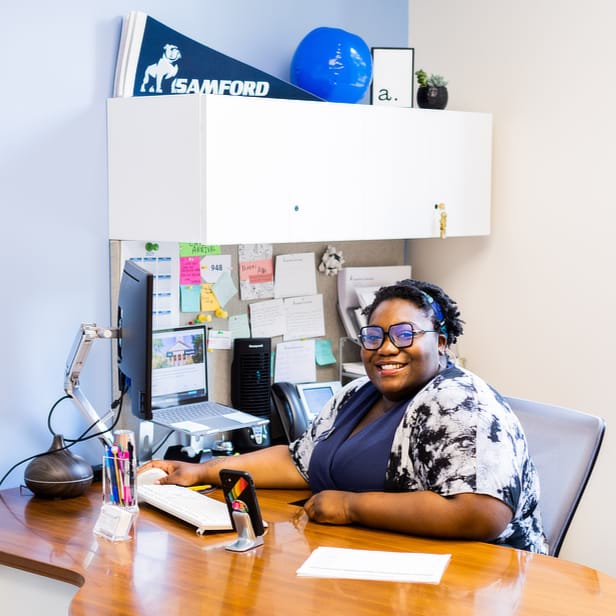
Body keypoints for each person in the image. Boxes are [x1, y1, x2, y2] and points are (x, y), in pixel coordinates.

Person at [139, 279, 548, 554]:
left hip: (476, 578)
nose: (386, 348)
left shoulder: (459, 403)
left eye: (405, 334)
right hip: (383, 557)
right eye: (374, 336)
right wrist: (204, 471)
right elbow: (298, 461)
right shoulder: (358, 394)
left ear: (440, 342)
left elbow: (481, 514)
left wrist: (351, 507)